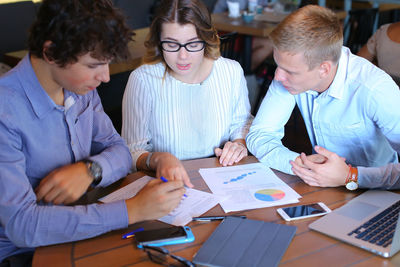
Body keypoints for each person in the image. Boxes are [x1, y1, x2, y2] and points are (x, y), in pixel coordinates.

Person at [0, 0, 185, 264]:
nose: (106, 77)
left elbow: (119, 151)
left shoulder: (80, 90)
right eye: (94, 65)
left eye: (107, 63)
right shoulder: (5, 111)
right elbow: (23, 226)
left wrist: (90, 170)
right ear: (51, 53)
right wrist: (131, 210)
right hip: (24, 254)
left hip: (86, 227)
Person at [246, 5, 400, 190]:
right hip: (321, 187)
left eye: (290, 71)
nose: (277, 77)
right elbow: (260, 134)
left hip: (376, 193)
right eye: (278, 65)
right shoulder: (288, 76)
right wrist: (299, 164)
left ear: (324, 69)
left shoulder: (375, 90)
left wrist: (350, 176)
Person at [121, 0, 253, 185]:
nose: (183, 56)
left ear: (206, 39)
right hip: (166, 183)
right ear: (159, 42)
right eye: (171, 44)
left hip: (222, 178)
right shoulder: (143, 79)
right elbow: (132, 151)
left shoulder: (231, 71)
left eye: (192, 44)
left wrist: (239, 144)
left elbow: (242, 123)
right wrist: (157, 159)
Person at [212, 0, 274, 71]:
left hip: (247, 32)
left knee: (274, 43)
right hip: (229, 37)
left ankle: (247, 73)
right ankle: (243, 74)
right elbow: (214, 17)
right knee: (270, 44)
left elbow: (264, 6)